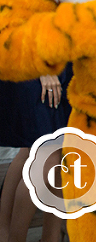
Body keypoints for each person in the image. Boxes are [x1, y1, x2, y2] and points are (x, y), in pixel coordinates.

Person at [0, 66, 71, 242]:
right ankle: (14, 237)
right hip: (43, 65)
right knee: (51, 153)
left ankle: (48, 237)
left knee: (47, 151)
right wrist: (42, 69)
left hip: (63, 63)